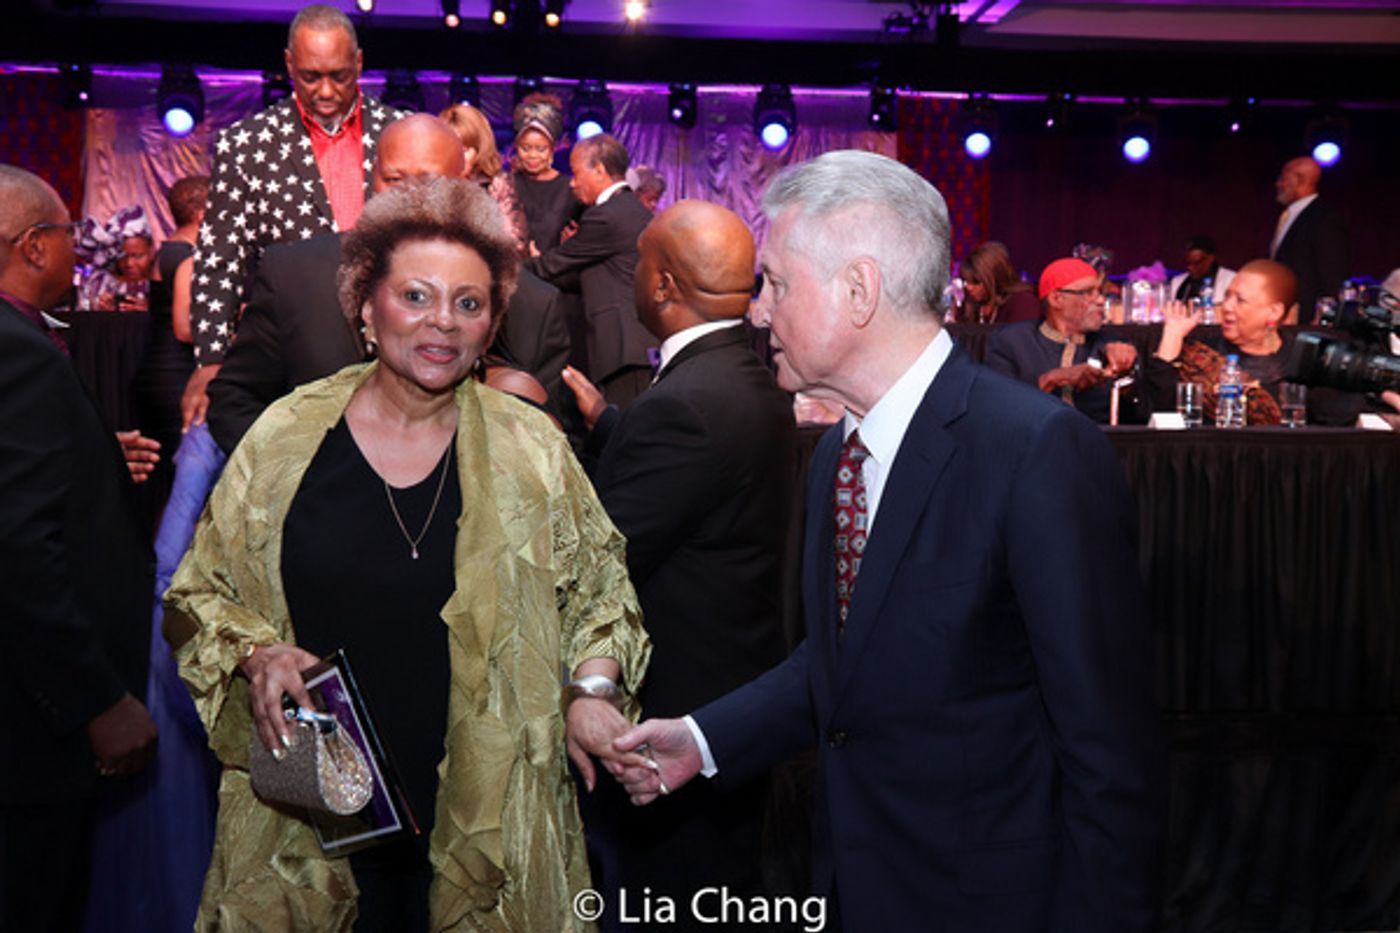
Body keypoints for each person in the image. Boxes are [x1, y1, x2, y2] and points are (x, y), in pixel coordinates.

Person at [609, 150, 1165, 932]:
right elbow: (846, 662)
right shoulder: (838, 453)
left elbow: (1109, 752)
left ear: (859, 290)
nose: (758, 313)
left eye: (776, 284)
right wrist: (700, 741)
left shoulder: (1035, 451)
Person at [164, 176, 650, 931]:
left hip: (492, 826)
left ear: (492, 324)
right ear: (365, 304)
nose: (443, 322)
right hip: (312, 826)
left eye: (469, 303)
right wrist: (257, 653)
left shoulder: (531, 449)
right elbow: (197, 594)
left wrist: (591, 691)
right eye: (415, 296)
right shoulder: (287, 438)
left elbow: (602, 596)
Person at [562, 200, 796, 923]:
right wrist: (612, 427)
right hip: (734, 687)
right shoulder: (741, 374)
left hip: (677, 711)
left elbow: (603, 556)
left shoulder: (687, 403)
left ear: (662, 284)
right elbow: (702, 479)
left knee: (669, 899)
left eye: (637, 263)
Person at [0, 164, 158, 931]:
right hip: (33, 723)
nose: (76, 250)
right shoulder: (18, 348)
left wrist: (93, 456)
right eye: (68, 235)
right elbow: (17, 546)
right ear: (34, 245)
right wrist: (96, 699)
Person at [207, 114, 560, 454]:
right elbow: (235, 400)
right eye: (393, 179)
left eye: (428, 182)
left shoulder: (530, 303)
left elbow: (560, 453)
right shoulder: (294, 275)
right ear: (373, 176)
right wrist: (299, 476)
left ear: (463, 184)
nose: (407, 197)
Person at [180, 3, 401, 427]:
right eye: (310, 76)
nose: (326, 91)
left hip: (392, 347)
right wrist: (211, 359)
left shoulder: (398, 132)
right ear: (288, 64)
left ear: (359, 63)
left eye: (339, 75)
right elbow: (220, 259)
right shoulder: (246, 146)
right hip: (294, 353)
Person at [1146, 258, 1362, 426]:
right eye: (1227, 296)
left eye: (1240, 300)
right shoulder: (1201, 353)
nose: (1227, 307)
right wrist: (1172, 335)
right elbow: (1161, 413)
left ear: (1274, 312)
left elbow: (1335, 423)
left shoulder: (1305, 360)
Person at [528, 133, 656, 407]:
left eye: (576, 173)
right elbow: (589, 277)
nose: (572, 183)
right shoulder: (629, 209)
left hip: (624, 348)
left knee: (622, 427)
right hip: (631, 347)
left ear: (599, 170)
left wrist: (503, 265)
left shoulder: (607, 216)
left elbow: (551, 266)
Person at [984, 256, 1149, 424]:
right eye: (1088, 293)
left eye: (1100, 292)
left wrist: (1128, 379)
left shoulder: (1113, 344)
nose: (1101, 300)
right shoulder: (1012, 342)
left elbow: (1142, 419)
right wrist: (1051, 380)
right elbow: (996, 409)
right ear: (1056, 299)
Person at [133, 175, 206, 511]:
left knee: (164, 482)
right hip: (176, 375)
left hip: (153, 368)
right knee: (186, 480)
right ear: (202, 213)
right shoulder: (189, 256)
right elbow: (184, 328)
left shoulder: (166, 250)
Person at [439, 102, 527, 253]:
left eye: (464, 150)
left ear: (480, 150)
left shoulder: (497, 185)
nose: (457, 157)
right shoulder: (431, 185)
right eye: (450, 149)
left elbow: (514, 243)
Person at [1269, 155, 1348, 322]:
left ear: (1300, 180)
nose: (1278, 184)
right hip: (1282, 313)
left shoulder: (1324, 219)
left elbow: (1331, 274)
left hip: (1305, 319)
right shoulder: (1288, 216)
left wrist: (1323, 317)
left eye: (1283, 178)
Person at [511, 92, 579, 254]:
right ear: (516, 146)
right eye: (526, 148)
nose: (533, 156)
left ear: (552, 149)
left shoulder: (569, 189)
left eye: (541, 149)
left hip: (552, 268)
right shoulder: (507, 185)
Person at [75, 205, 153, 312]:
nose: (129, 264)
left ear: (150, 250)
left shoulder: (161, 285)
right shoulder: (102, 283)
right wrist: (107, 311)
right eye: (122, 256)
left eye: (137, 256)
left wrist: (149, 312)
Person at [954, 240, 1040, 324]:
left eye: (976, 282)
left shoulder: (1023, 302)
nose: (969, 287)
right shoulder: (970, 304)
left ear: (995, 278)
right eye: (966, 281)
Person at [1168, 234, 1235, 304]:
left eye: (1196, 262)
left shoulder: (1230, 280)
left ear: (1211, 258)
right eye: (1188, 262)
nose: (1190, 267)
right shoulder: (1177, 282)